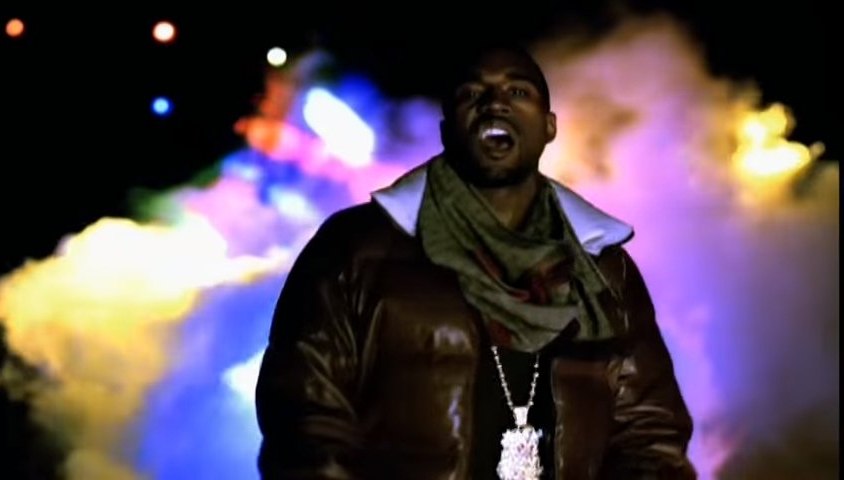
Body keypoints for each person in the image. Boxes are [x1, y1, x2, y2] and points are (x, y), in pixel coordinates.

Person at [255, 42, 696, 479]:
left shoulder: (602, 268)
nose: (494, 104)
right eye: (472, 93)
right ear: (447, 129)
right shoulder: (355, 248)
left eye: (517, 92)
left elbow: (649, 432)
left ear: (549, 126)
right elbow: (305, 423)